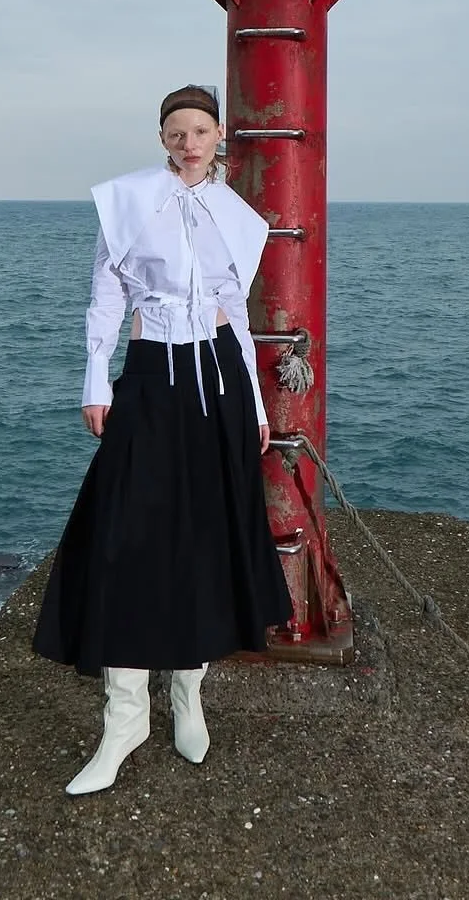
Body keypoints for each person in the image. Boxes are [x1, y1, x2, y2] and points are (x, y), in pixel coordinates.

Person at [32, 84, 293, 795]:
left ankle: (187, 694)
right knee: (124, 537)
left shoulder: (236, 216)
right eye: (176, 132)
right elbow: (106, 293)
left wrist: (259, 405)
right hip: (150, 379)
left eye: (200, 130)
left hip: (220, 388)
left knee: (205, 538)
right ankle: (124, 720)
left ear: (218, 139)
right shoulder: (127, 202)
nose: (188, 142)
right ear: (162, 139)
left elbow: (236, 313)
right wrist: (96, 380)